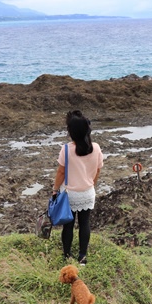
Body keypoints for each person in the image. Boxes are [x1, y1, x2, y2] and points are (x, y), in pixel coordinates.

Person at [52, 110, 103, 266]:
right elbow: (98, 170)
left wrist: (55, 190)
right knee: (84, 224)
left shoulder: (66, 149)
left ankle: (67, 255)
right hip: (88, 193)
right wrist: (91, 184)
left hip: (70, 194)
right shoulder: (95, 148)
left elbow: (61, 172)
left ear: (71, 132)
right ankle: (82, 257)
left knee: (68, 226)